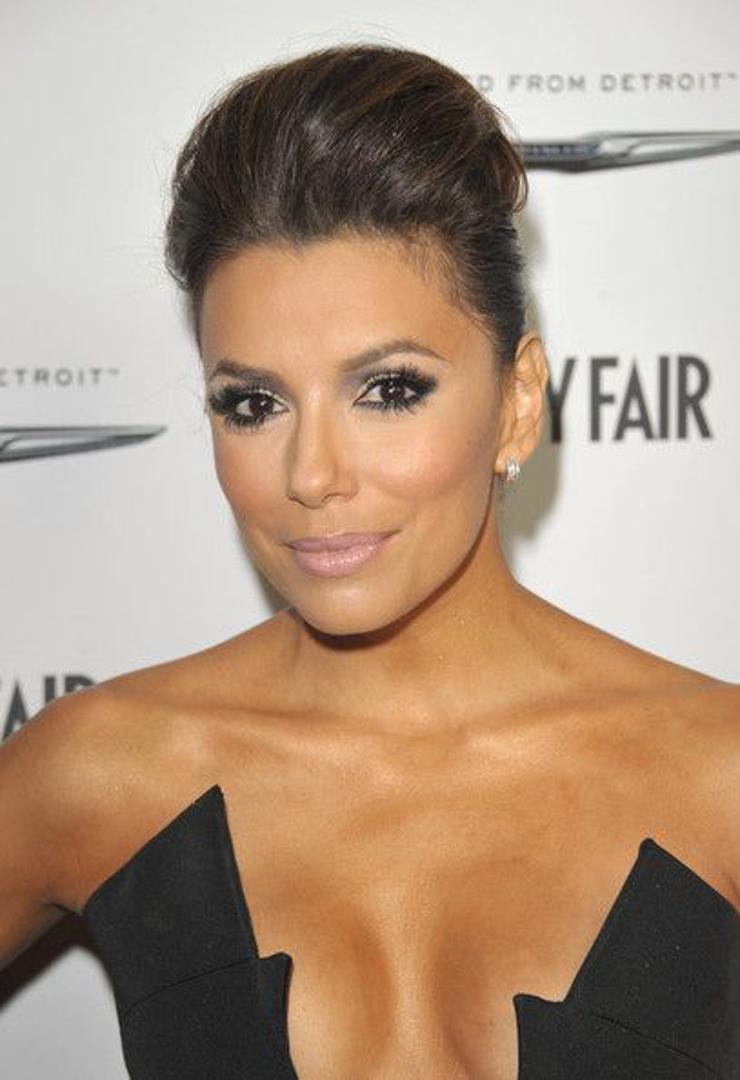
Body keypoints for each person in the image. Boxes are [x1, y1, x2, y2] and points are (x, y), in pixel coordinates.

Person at [1, 42, 738, 1080]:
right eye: (252, 404)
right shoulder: (100, 771)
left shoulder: (718, 776)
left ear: (517, 401)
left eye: (388, 390)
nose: (311, 474)